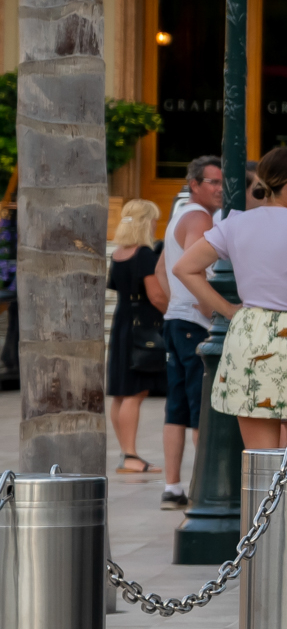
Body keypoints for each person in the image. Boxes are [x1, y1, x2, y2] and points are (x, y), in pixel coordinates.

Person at [174, 146, 287, 453]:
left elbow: (184, 268)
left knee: (261, 460)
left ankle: (264, 502)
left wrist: (230, 310)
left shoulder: (236, 223)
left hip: (250, 331)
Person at [158, 156, 222, 507]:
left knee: (177, 407)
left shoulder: (178, 217)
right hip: (194, 323)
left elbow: (160, 270)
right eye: (211, 182)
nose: (219, 188)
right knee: (201, 409)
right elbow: (198, 269)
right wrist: (213, 310)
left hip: (176, 321)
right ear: (194, 184)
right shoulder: (198, 217)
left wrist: (176, 303)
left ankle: (173, 486)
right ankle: (203, 487)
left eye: (221, 182)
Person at [107, 199, 166, 475]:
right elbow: (155, 295)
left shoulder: (118, 253)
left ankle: (125, 453)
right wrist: (171, 311)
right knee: (135, 392)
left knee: (122, 392)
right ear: (146, 222)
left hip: (123, 324)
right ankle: (130, 455)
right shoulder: (143, 254)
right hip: (142, 326)